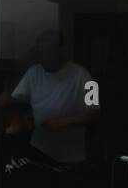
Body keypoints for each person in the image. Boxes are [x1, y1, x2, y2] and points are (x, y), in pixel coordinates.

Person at [8, 30, 98, 164]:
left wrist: (64, 123)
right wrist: (18, 120)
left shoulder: (82, 75)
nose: (44, 57)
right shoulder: (34, 73)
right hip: (38, 152)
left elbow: (94, 113)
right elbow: (16, 101)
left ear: (60, 51)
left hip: (71, 157)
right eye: (41, 53)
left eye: (48, 52)